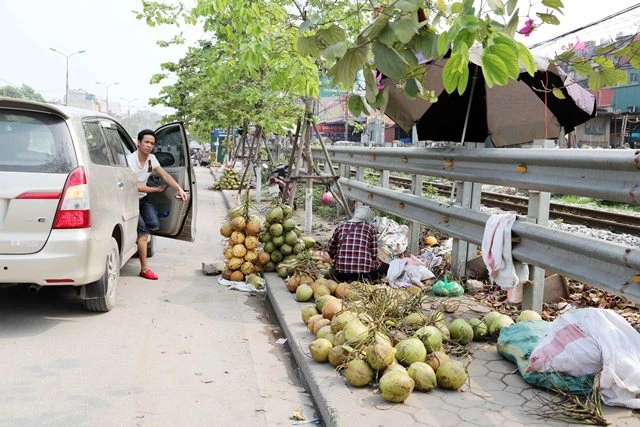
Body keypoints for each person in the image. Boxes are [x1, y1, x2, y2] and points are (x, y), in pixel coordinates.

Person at [128, 129, 188, 280]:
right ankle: (144, 269)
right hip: (130, 200)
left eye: (152, 143)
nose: (149, 146)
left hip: (143, 199)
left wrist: (179, 188)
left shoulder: (151, 158)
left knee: (154, 224)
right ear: (139, 143)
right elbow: (136, 187)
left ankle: (136, 236)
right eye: (146, 142)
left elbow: (165, 175)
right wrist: (156, 189)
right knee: (144, 234)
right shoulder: (130, 160)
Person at [326, 205, 387, 282]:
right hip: (363, 274)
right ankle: (368, 280)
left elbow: (330, 249)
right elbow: (373, 255)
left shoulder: (341, 226)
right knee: (387, 267)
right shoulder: (370, 229)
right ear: (368, 217)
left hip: (341, 273)